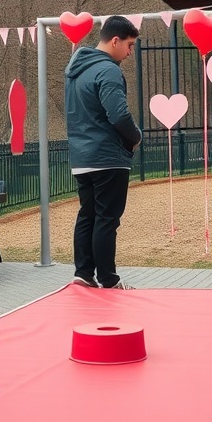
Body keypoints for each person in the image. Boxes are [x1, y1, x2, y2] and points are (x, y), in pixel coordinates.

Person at [65, 15, 142, 289]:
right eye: (130, 45)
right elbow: (118, 115)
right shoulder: (107, 70)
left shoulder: (76, 69)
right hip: (108, 157)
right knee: (107, 219)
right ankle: (109, 280)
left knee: (88, 215)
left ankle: (83, 274)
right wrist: (135, 137)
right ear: (115, 40)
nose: (130, 53)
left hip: (81, 157)